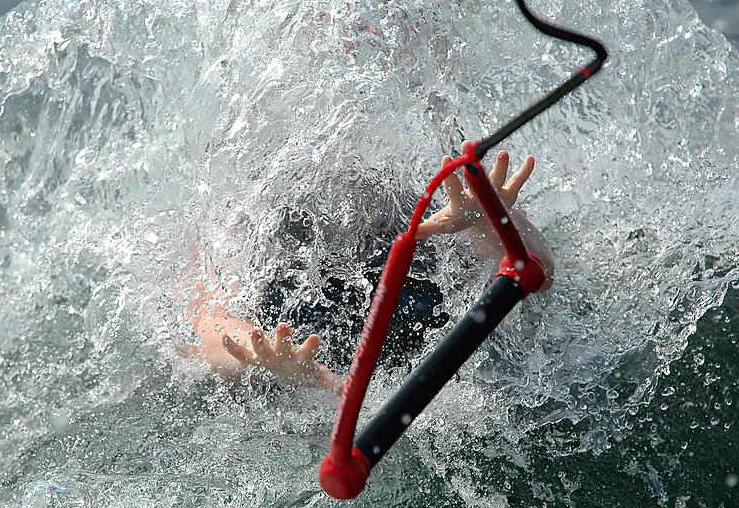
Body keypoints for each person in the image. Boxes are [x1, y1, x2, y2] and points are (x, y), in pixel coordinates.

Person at [186, 143, 554, 393]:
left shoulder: (435, 199)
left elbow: (540, 271)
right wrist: (270, 360)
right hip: (311, 369)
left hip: (433, 360)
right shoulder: (253, 219)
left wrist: (489, 222)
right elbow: (206, 325)